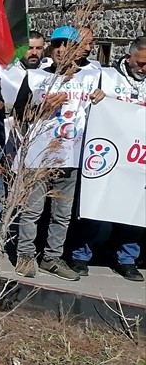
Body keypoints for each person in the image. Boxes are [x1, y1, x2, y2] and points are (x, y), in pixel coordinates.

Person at [11, 26, 103, 280]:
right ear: (52, 49)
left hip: (72, 155)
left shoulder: (92, 77)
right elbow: (18, 115)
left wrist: (102, 96)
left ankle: (52, 257)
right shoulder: (35, 77)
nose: (63, 51)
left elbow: (104, 109)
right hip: (39, 155)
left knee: (62, 213)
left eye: (68, 46)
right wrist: (40, 108)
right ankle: (25, 254)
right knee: (33, 209)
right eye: (58, 45)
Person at [67, 35, 146, 282]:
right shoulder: (107, 77)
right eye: (140, 63)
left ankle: (127, 258)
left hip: (137, 158)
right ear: (128, 56)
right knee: (96, 205)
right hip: (106, 154)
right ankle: (81, 254)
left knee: (136, 210)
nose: (144, 68)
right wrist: (98, 98)